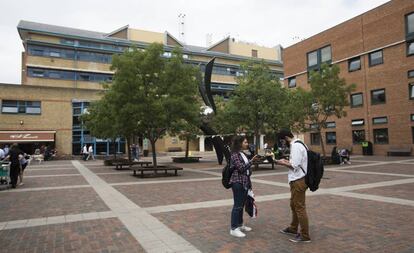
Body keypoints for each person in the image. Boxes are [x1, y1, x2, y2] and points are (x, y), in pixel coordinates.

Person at [276, 129, 311, 243]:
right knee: (293, 204)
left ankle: (305, 235)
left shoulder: (295, 146)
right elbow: (297, 162)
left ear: (286, 138)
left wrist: (281, 162)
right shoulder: (300, 143)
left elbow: (294, 166)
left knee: (299, 207)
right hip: (299, 179)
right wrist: (286, 160)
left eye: (282, 141)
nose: (282, 144)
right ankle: (293, 228)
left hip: (298, 180)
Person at [229, 136, 259, 238]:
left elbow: (246, 168)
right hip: (237, 182)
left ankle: (240, 224)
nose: (247, 144)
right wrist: (251, 161)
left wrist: (252, 159)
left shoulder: (242, 154)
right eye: (245, 142)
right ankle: (234, 228)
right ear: (240, 143)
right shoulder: (235, 154)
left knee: (241, 205)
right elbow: (241, 168)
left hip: (245, 182)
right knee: (237, 206)